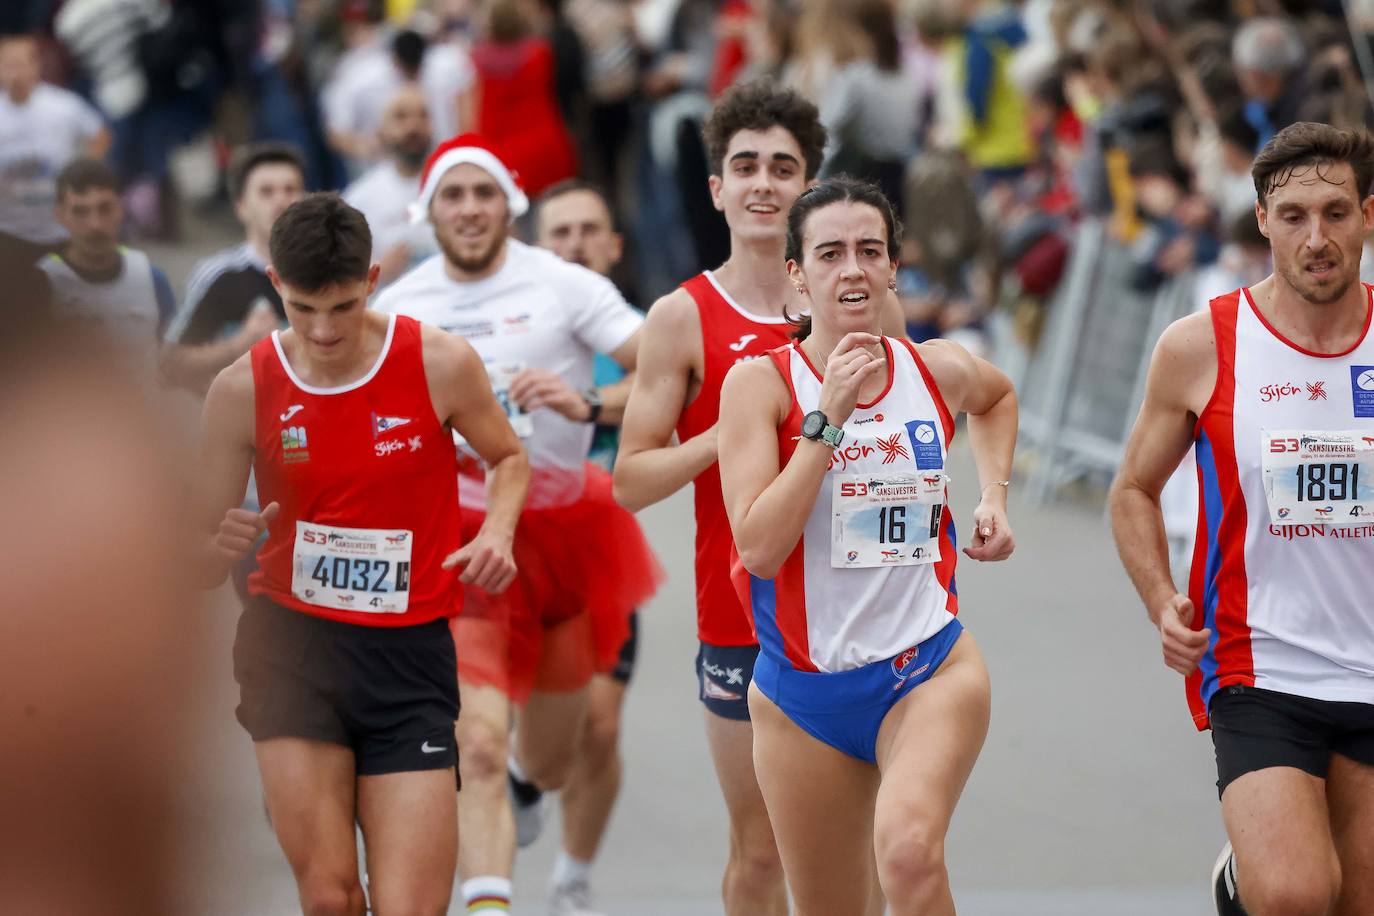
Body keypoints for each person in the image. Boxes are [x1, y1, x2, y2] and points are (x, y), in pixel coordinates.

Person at [613, 79, 905, 916]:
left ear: (809, 182)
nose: (763, 183)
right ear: (716, 188)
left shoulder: (866, 299)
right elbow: (630, 477)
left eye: (784, 166)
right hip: (744, 614)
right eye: (744, 166)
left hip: (865, 605)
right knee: (762, 846)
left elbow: (918, 425)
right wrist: (741, 428)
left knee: (872, 836)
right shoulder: (681, 316)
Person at [198, 191, 530, 916]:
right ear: (274, 281)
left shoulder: (437, 361)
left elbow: (508, 458)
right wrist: (207, 546)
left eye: (342, 307)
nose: (322, 330)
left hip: (408, 657)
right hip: (291, 649)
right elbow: (195, 546)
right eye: (303, 308)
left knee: (411, 907)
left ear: (372, 280)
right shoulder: (239, 389)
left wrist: (498, 530)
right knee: (330, 897)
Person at [373, 134, 659, 915]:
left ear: (510, 205)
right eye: (452, 196)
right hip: (460, 541)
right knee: (479, 746)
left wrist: (586, 402)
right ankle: (490, 900)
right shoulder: (399, 307)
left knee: (555, 758)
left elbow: (662, 371)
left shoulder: (562, 285)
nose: (468, 210)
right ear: (427, 211)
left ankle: (530, 790)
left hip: (562, 535)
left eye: (484, 194)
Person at [718, 177, 1017, 916]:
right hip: (804, 698)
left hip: (928, 669)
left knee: (910, 857)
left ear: (892, 267)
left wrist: (993, 497)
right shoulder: (762, 388)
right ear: (797, 273)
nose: (851, 269)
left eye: (869, 251)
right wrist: (826, 421)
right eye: (829, 253)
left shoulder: (934, 369)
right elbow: (758, 547)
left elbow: (998, 397)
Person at [1109, 121, 1374, 916]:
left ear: (1368, 214)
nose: (1316, 237)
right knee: (1295, 894)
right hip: (1258, 661)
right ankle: (1247, 878)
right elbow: (1131, 490)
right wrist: (1162, 600)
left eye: (1335, 212)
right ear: (1262, 221)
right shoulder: (1203, 345)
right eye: (1293, 216)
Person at [534, 178, 640, 916]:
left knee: (598, 728)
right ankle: (517, 778)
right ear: (537, 249)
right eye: (559, 232)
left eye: (587, 230)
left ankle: (572, 875)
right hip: (505, 550)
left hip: (602, 559)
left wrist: (591, 405)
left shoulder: (639, 332)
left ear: (613, 246)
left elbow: (670, 378)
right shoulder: (510, 321)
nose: (574, 243)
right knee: (504, 734)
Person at [162, 142, 305, 394]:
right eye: (266, 191)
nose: (281, 200)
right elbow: (169, 364)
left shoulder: (327, 271)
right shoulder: (220, 274)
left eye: (290, 189)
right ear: (241, 207)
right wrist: (239, 344)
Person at [38, 159, 174, 370]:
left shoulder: (152, 279)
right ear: (60, 215)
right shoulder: (39, 285)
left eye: (105, 208)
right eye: (80, 211)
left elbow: (176, 360)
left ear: (121, 207)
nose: (95, 224)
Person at [0, 32, 109, 255]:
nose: (14, 73)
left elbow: (100, 135)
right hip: (6, 230)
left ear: (36, 65)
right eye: (7, 65)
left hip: (57, 230)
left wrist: (84, 176)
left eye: (19, 64)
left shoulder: (64, 106)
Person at [344, 84, 439, 289]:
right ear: (381, 129)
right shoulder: (359, 198)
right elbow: (342, 280)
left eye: (423, 116)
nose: (413, 126)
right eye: (401, 117)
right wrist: (378, 273)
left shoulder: (456, 187)